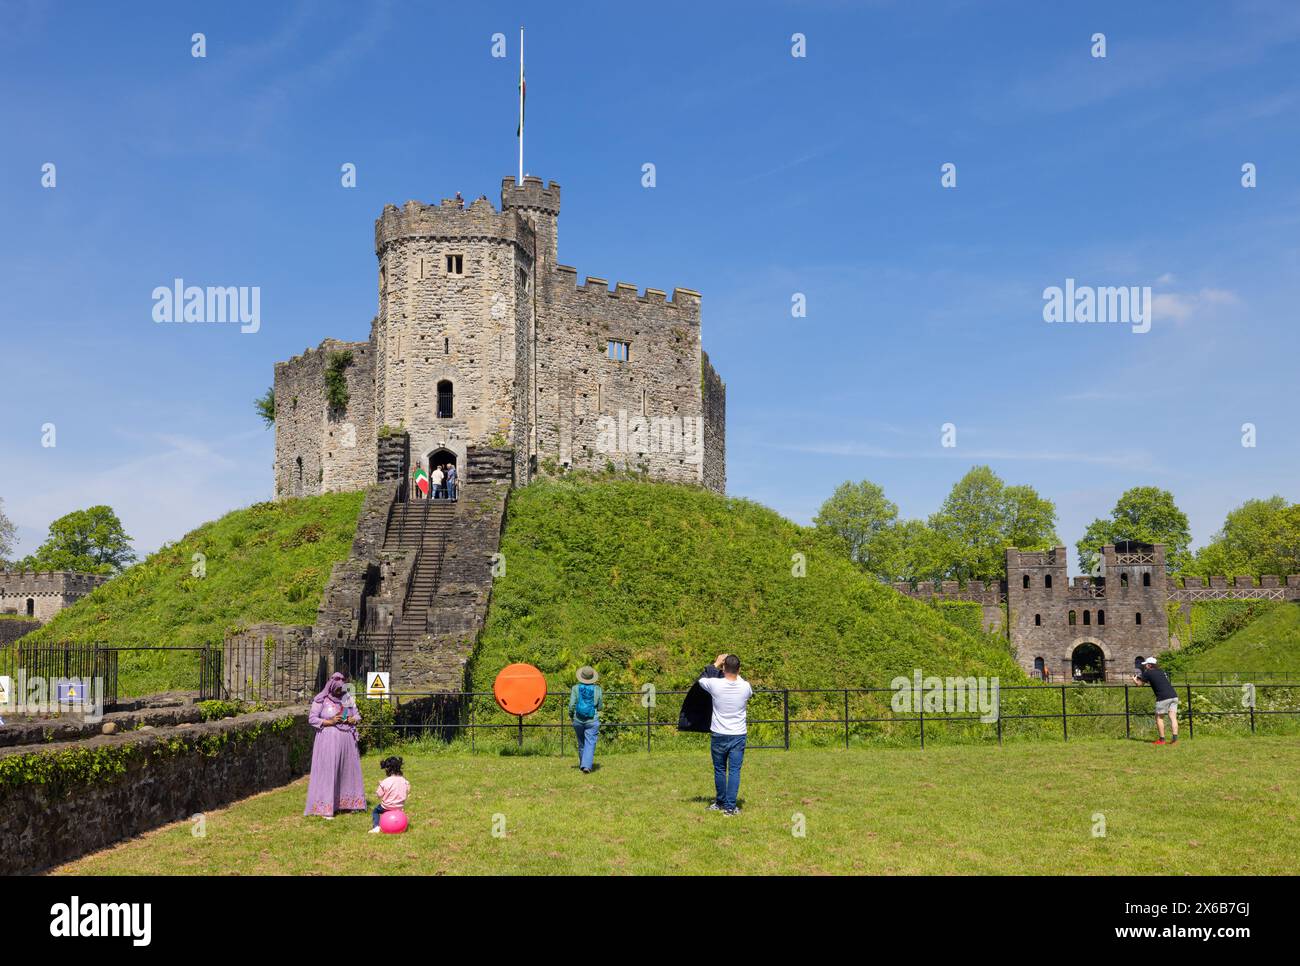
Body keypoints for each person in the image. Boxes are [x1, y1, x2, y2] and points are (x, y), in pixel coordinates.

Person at [304, 672, 367, 818]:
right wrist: (330, 722)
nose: (340, 692)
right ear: (331, 687)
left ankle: (348, 804)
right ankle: (325, 807)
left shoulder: (347, 698)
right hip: (327, 741)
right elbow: (312, 719)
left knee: (347, 770)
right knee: (328, 771)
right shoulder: (321, 699)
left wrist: (353, 719)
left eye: (342, 689)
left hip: (347, 743)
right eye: (338, 690)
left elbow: (357, 715)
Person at [697, 653, 753, 816]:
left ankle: (720, 802)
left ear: (723, 668)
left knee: (719, 769)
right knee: (734, 770)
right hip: (738, 735)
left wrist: (715, 664)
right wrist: (733, 667)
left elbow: (700, 680)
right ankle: (730, 807)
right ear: (739, 669)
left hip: (719, 734)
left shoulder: (715, 685)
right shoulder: (745, 687)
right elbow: (741, 681)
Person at [1134, 656, 1179, 745]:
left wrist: (1134, 680)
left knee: (1159, 717)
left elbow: (1140, 684)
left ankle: (1162, 740)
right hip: (1173, 695)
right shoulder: (1162, 671)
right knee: (1173, 717)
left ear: (1149, 665)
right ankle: (1175, 740)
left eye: (1146, 665)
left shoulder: (1147, 673)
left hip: (1163, 697)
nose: (1145, 666)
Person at [568, 666, 604, 773]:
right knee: (590, 742)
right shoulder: (597, 689)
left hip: (578, 720)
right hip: (592, 720)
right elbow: (600, 706)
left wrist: (571, 716)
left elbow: (571, 705)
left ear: (581, 677)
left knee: (581, 742)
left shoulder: (575, 688)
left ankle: (582, 764)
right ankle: (586, 766)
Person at [370, 755, 411, 833]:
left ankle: (376, 826)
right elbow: (408, 789)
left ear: (387, 769)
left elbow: (379, 794)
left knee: (375, 811)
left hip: (386, 807)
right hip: (399, 807)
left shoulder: (386, 782)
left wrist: (381, 784)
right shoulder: (404, 781)